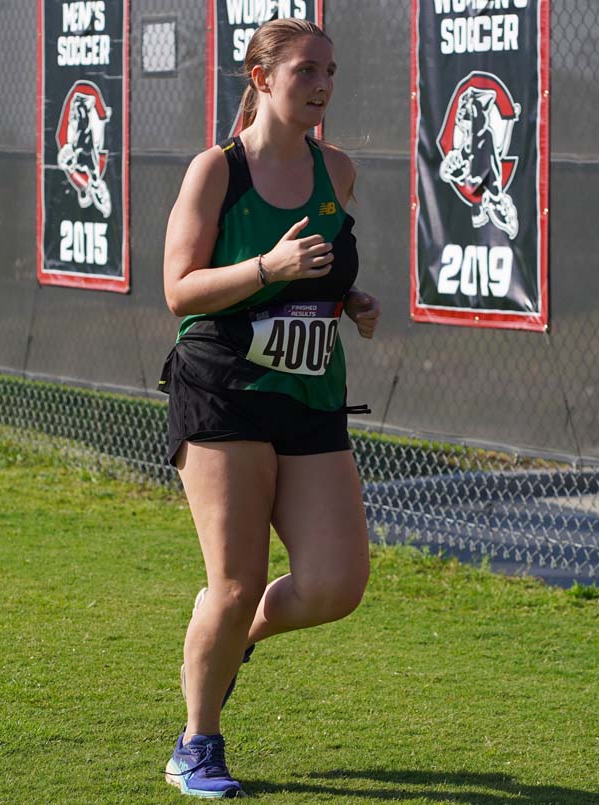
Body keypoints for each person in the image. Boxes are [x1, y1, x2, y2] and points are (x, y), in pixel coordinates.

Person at [158, 18, 381, 799]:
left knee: (334, 583)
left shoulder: (340, 169)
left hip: (310, 390)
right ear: (261, 79)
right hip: (223, 386)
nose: (321, 86)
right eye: (305, 72)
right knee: (236, 577)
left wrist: (346, 299)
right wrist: (268, 265)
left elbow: (315, 273)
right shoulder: (217, 171)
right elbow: (180, 290)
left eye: (330, 72)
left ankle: (234, 636)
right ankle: (198, 742)